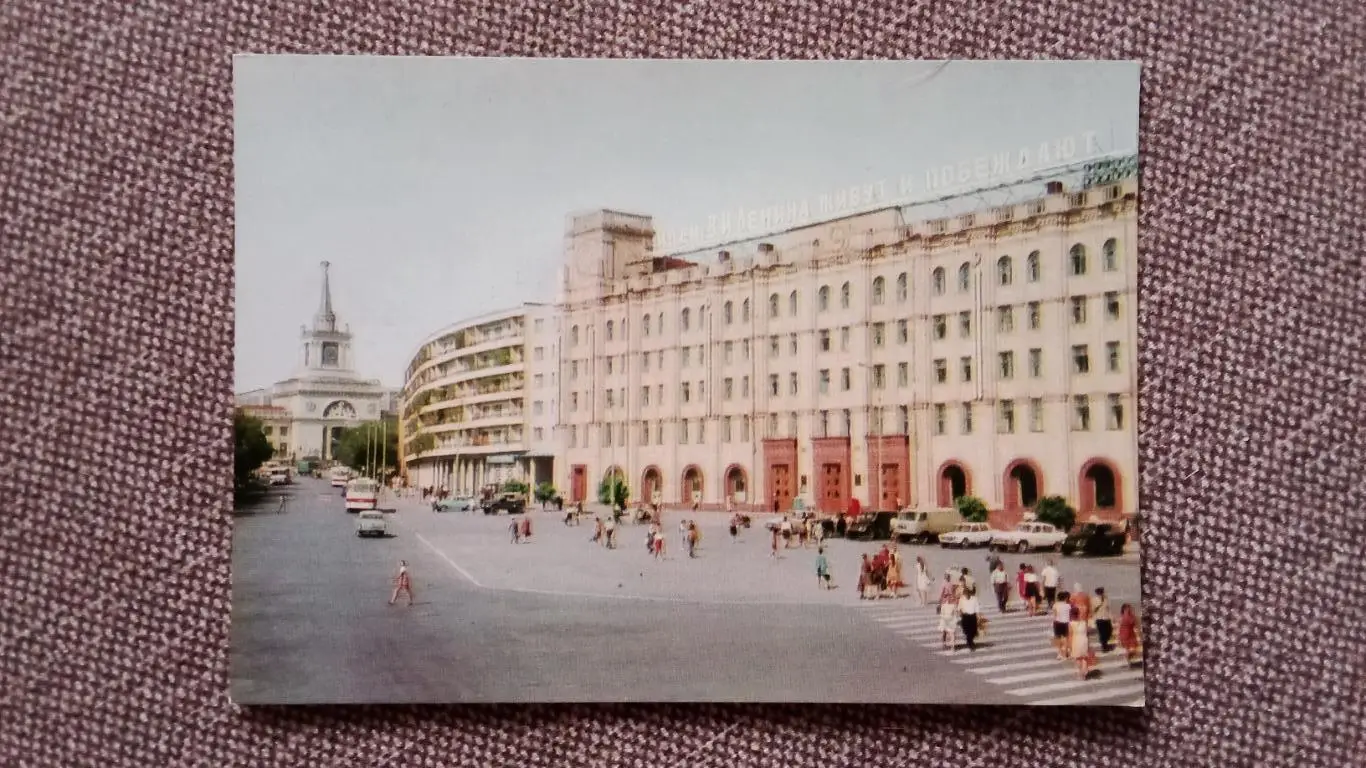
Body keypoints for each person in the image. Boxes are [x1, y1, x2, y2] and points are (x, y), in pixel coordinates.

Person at [1069, 603, 1096, 679]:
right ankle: (1085, 671)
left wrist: (1070, 647)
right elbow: (1087, 632)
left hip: (1076, 641)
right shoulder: (1084, 622)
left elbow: (1070, 636)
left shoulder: (1071, 624)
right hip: (1084, 640)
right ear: (1078, 613)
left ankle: (1081, 673)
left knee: (1078, 658)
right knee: (1084, 658)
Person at [958, 586, 981, 651]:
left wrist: (978, 616)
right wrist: (961, 614)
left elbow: (977, 607)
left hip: (973, 616)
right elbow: (959, 608)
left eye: (967, 594)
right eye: (965, 594)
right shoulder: (962, 599)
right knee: (968, 631)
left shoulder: (974, 599)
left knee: (973, 631)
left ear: (969, 593)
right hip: (965, 617)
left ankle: (970, 641)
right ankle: (970, 644)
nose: (966, 595)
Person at [1052, 589, 1072, 660]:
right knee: (1066, 638)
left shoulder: (1055, 605)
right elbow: (1070, 615)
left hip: (1057, 622)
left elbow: (1055, 615)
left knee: (1058, 638)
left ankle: (1059, 653)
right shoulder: (1068, 605)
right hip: (1066, 623)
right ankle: (1065, 653)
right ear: (1065, 598)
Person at [1092, 587, 1114, 653]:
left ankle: (1105, 644)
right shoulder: (1094, 600)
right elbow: (1093, 610)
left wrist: (1112, 617)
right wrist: (1099, 604)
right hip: (1099, 619)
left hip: (1106, 618)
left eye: (1102, 592)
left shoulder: (1106, 599)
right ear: (1097, 593)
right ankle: (1104, 647)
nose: (1101, 593)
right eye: (1100, 592)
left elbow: (1108, 609)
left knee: (1109, 631)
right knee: (1102, 634)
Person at [938, 585, 960, 650]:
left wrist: (955, 619)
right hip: (946, 620)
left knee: (951, 633)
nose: (950, 598)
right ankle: (944, 643)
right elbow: (941, 613)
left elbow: (955, 613)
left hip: (950, 620)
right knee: (945, 633)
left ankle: (952, 646)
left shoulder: (953, 604)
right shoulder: (945, 604)